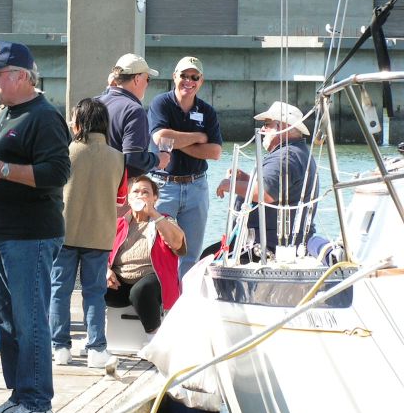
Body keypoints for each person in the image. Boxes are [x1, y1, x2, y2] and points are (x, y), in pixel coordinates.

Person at [0, 41, 71, 413]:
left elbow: (58, 173)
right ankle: (18, 395)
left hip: (29, 236)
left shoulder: (44, 117)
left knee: (29, 319)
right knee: (7, 320)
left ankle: (37, 402)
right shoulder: (4, 111)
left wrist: (3, 171)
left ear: (20, 76)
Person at [49, 98, 125, 369]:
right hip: (100, 234)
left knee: (59, 290)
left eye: (73, 119)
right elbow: (120, 199)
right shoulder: (119, 158)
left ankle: (60, 347)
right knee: (94, 293)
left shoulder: (64, 151)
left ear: (79, 122)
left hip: (64, 232)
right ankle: (96, 348)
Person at [148, 56, 223, 278]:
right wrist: (199, 136)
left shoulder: (207, 111)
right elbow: (161, 138)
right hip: (163, 186)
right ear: (174, 77)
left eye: (194, 77)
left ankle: (182, 305)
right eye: (184, 75)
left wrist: (177, 143)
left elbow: (216, 152)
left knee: (190, 255)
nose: (188, 81)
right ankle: (159, 304)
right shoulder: (160, 103)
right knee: (158, 251)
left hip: (196, 186)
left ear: (201, 81)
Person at [215, 101, 319, 252]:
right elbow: (276, 187)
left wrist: (228, 184)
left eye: (267, 124)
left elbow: (265, 193)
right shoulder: (296, 153)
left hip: (270, 247)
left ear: (283, 127)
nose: (262, 129)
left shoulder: (285, 157)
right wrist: (246, 179)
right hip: (282, 242)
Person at [106, 176, 186, 335]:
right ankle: (95, 338)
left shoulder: (164, 220)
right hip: (121, 282)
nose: (140, 195)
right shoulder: (119, 223)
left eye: (145, 192)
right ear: (129, 198)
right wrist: (106, 270)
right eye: (135, 192)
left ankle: (154, 337)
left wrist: (154, 214)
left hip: (153, 279)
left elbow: (178, 244)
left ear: (154, 198)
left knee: (141, 290)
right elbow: (100, 254)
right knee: (92, 284)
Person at [97, 54, 170, 177]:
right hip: (116, 187)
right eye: (147, 79)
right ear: (137, 79)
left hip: (91, 183)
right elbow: (133, 160)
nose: (147, 84)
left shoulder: (94, 103)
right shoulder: (133, 111)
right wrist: (158, 160)